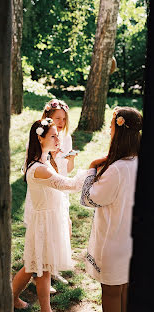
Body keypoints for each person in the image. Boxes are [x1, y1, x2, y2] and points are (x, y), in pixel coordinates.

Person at [12, 118, 89, 311]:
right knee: (42, 269)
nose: (58, 139)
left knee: (33, 266)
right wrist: (91, 170)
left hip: (48, 220)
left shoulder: (42, 161)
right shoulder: (39, 169)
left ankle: (11, 297)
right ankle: (46, 310)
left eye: (57, 136)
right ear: (40, 138)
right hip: (43, 223)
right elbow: (70, 185)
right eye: (53, 136)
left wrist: (54, 155)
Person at [80, 106, 143, 312]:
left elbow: (90, 199)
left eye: (111, 126)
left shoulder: (117, 170)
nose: (109, 130)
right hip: (132, 242)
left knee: (111, 293)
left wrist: (92, 167)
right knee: (125, 290)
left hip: (114, 243)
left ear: (120, 130)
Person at [24, 99, 78, 290]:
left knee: (64, 229)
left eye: (64, 118)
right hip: (46, 190)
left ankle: (50, 271)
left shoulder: (65, 137)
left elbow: (67, 171)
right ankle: (40, 273)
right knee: (41, 238)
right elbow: (47, 173)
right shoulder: (40, 145)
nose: (61, 122)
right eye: (57, 118)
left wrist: (69, 159)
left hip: (59, 187)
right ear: (48, 118)